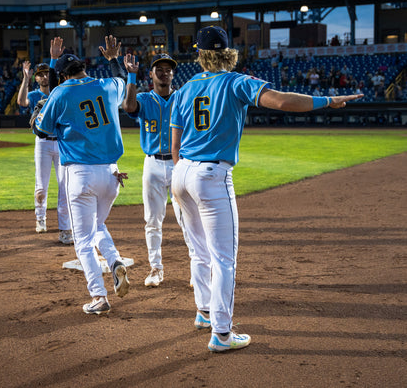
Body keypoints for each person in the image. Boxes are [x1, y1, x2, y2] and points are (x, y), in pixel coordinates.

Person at [170, 26, 363, 353]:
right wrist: (328, 100)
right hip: (211, 173)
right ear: (228, 52)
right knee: (224, 259)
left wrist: (183, 175)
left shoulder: (185, 88)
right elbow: (282, 100)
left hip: (181, 173)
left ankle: (204, 312)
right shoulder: (235, 81)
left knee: (199, 251)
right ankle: (221, 333)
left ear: (199, 55)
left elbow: (175, 144)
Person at [34, 36, 130, 316]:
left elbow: (42, 130)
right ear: (84, 68)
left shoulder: (61, 93)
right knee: (96, 224)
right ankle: (114, 261)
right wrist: (112, 60)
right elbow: (122, 77)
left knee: (83, 241)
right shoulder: (107, 85)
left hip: (81, 176)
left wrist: (40, 114)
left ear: (63, 75)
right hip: (112, 174)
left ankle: (98, 297)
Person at [122, 53, 193, 288]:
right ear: (151, 74)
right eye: (159, 69)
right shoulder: (143, 97)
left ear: (173, 74)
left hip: (179, 163)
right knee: (152, 220)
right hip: (152, 164)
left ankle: (198, 268)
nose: (164, 73)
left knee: (188, 219)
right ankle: (156, 268)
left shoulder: (182, 97)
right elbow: (129, 106)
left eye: (168, 70)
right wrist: (131, 74)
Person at [17, 38, 73, 244]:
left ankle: (64, 226)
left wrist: (53, 59)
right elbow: (21, 102)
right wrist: (25, 78)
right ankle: (40, 218)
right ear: (36, 78)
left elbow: (54, 78)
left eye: (45, 73)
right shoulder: (33, 94)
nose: (43, 76)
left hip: (60, 143)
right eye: (39, 74)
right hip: (42, 144)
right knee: (41, 186)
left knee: (63, 185)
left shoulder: (58, 90)